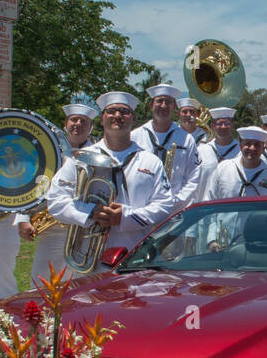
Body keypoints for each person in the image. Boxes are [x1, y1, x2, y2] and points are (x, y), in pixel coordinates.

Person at [46, 91, 173, 258]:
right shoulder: (80, 159)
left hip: (134, 252)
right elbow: (56, 201)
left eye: (124, 111)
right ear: (101, 119)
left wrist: (126, 217)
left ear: (134, 119)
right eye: (111, 111)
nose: (118, 115)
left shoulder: (150, 161)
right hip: (88, 254)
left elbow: (164, 205)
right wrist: (90, 211)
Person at [16, 101, 98, 288]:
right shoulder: (49, 151)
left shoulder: (98, 152)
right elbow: (30, 185)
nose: (77, 124)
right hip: (52, 225)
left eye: (83, 121)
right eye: (73, 120)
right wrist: (22, 217)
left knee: (79, 281)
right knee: (42, 278)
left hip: (84, 227)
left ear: (91, 127)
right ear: (65, 124)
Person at [202, 126, 267, 251]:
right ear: (240, 146)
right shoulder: (223, 169)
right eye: (248, 144)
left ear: (263, 148)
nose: (252, 148)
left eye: (257, 145)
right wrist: (211, 239)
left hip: (260, 243)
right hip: (223, 242)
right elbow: (209, 204)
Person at [131, 84, 202, 210]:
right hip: (139, 209)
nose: (163, 106)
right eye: (159, 101)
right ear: (151, 105)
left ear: (174, 107)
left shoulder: (186, 139)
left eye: (168, 102)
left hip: (173, 210)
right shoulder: (135, 136)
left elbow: (193, 177)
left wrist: (175, 202)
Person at [195, 106, 240, 197]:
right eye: (219, 124)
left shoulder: (242, 152)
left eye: (226, 123)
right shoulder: (201, 151)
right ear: (212, 126)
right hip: (205, 207)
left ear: (233, 125)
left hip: (233, 207)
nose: (223, 127)